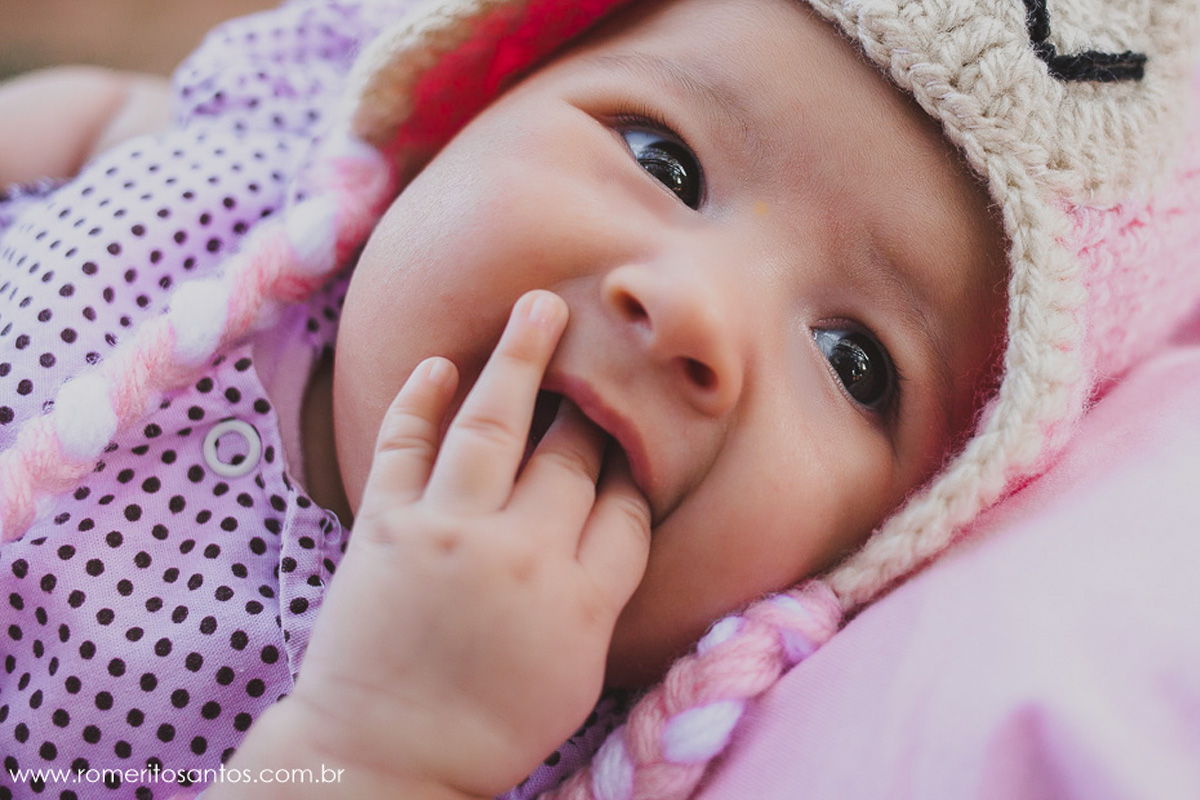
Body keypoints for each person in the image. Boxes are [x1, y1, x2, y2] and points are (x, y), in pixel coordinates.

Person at [0, 0, 1196, 798]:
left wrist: (386, 742)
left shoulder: (546, 746)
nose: (697, 315)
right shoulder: (258, 174)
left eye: (856, 360)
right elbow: (94, 118)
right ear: (475, 96)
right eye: (663, 158)